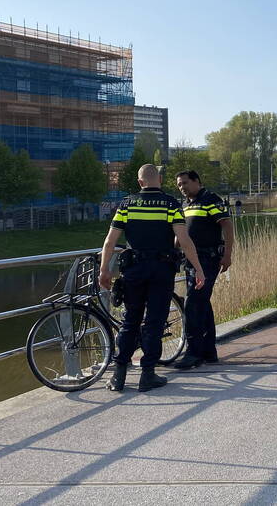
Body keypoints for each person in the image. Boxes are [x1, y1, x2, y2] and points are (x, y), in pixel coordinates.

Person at [99, 164, 208, 393]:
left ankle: (119, 374)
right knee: (154, 322)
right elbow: (185, 241)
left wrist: (104, 271)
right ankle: (147, 374)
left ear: (140, 182)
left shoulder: (127, 204)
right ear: (159, 179)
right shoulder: (171, 204)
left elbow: (109, 242)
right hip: (161, 270)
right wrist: (198, 268)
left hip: (134, 270)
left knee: (130, 320)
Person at [171, 170, 235, 370]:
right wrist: (174, 250)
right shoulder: (186, 204)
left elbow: (227, 226)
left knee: (193, 304)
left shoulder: (210, 199)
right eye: (179, 185)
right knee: (203, 304)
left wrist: (227, 255)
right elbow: (183, 231)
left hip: (208, 258)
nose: (182, 188)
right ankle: (209, 352)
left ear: (197, 181)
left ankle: (193, 353)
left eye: (185, 183)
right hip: (191, 259)